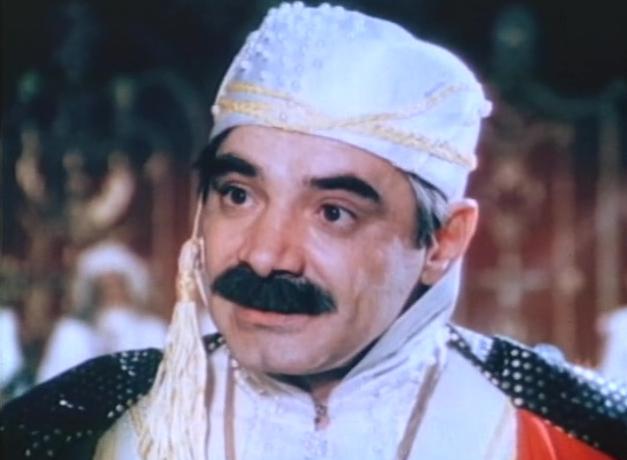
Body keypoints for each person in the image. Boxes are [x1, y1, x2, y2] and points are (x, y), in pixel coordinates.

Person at [1, 3, 626, 459]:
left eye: (333, 212)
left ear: (443, 242)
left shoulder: (565, 431)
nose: (265, 256)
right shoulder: (84, 424)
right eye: (238, 195)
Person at [37, 240, 168, 382]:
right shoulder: (73, 332)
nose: (112, 293)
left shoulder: (153, 329)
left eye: (117, 286)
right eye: (104, 288)